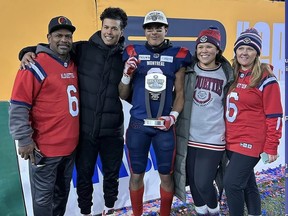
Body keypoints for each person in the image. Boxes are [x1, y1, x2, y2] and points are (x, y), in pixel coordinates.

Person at [19, 7, 128, 216]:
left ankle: (109, 209)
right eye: (106, 27)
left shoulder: (125, 57)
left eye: (114, 29)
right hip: (85, 131)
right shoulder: (83, 49)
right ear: (101, 27)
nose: (109, 32)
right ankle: (86, 212)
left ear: (121, 31)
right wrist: (26, 52)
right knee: (84, 176)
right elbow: (55, 47)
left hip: (112, 131)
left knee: (112, 175)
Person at [118, 10, 192, 216]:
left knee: (166, 176)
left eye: (158, 28)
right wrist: (126, 75)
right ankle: (137, 214)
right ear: (144, 31)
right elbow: (123, 94)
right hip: (138, 125)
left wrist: (173, 117)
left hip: (164, 126)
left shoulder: (178, 55)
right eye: (150, 28)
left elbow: (180, 94)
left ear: (165, 29)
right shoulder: (133, 52)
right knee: (136, 174)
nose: (154, 32)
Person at [9, 16, 79, 216]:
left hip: (70, 148)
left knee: (61, 194)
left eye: (68, 36)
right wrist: (23, 139)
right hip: (45, 149)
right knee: (42, 199)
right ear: (48, 37)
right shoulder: (34, 65)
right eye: (58, 35)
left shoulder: (73, 62)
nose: (63, 40)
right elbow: (18, 105)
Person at [174, 26, 234, 216]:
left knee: (203, 182)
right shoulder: (188, 70)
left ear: (217, 50)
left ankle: (215, 212)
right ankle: (201, 212)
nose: (204, 51)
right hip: (190, 137)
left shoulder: (228, 73)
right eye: (200, 47)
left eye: (209, 47)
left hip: (214, 138)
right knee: (192, 182)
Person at [223, 28, 283, 216]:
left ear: (257, 52)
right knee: (248, 184)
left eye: (250, 49)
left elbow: (275, 115)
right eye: (241, 48)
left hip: (251, 141)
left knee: (231, 184)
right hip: (232, 140)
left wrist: (272, 145)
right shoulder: (233, 74)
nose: (244, 52)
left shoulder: (265, 78)